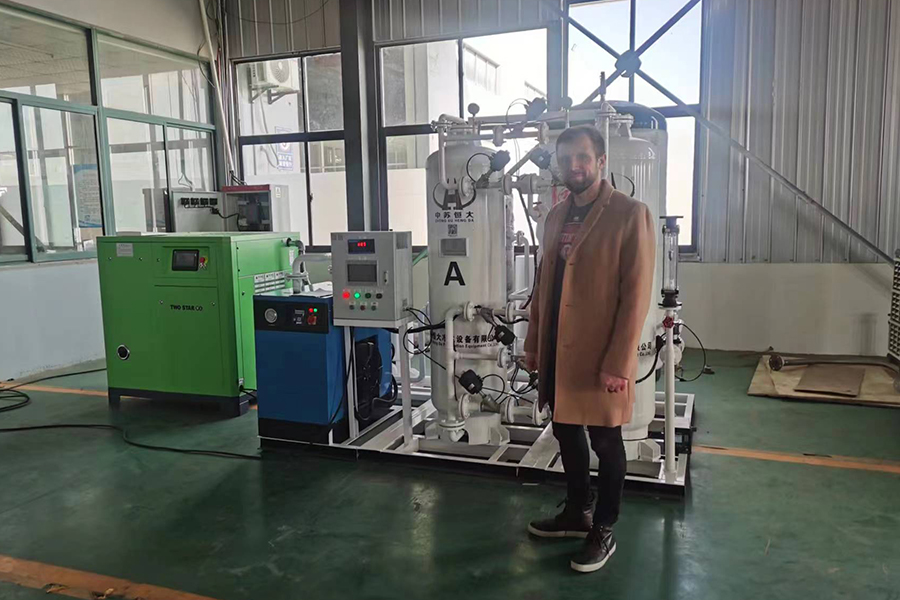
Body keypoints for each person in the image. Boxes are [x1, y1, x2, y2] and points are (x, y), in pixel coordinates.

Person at [523, 125, 655, 573]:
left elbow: (636, 296)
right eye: (566, 159)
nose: (573, 166)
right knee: (564, 428)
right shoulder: (555, 216)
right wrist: (534, 343)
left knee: (606, 440)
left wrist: (619, 361)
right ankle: (577, 511)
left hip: (600, 354)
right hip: (558, 349)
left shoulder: (630, 213)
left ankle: (604, 527)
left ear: (601, 161)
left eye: (582, 157)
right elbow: (543, 285)